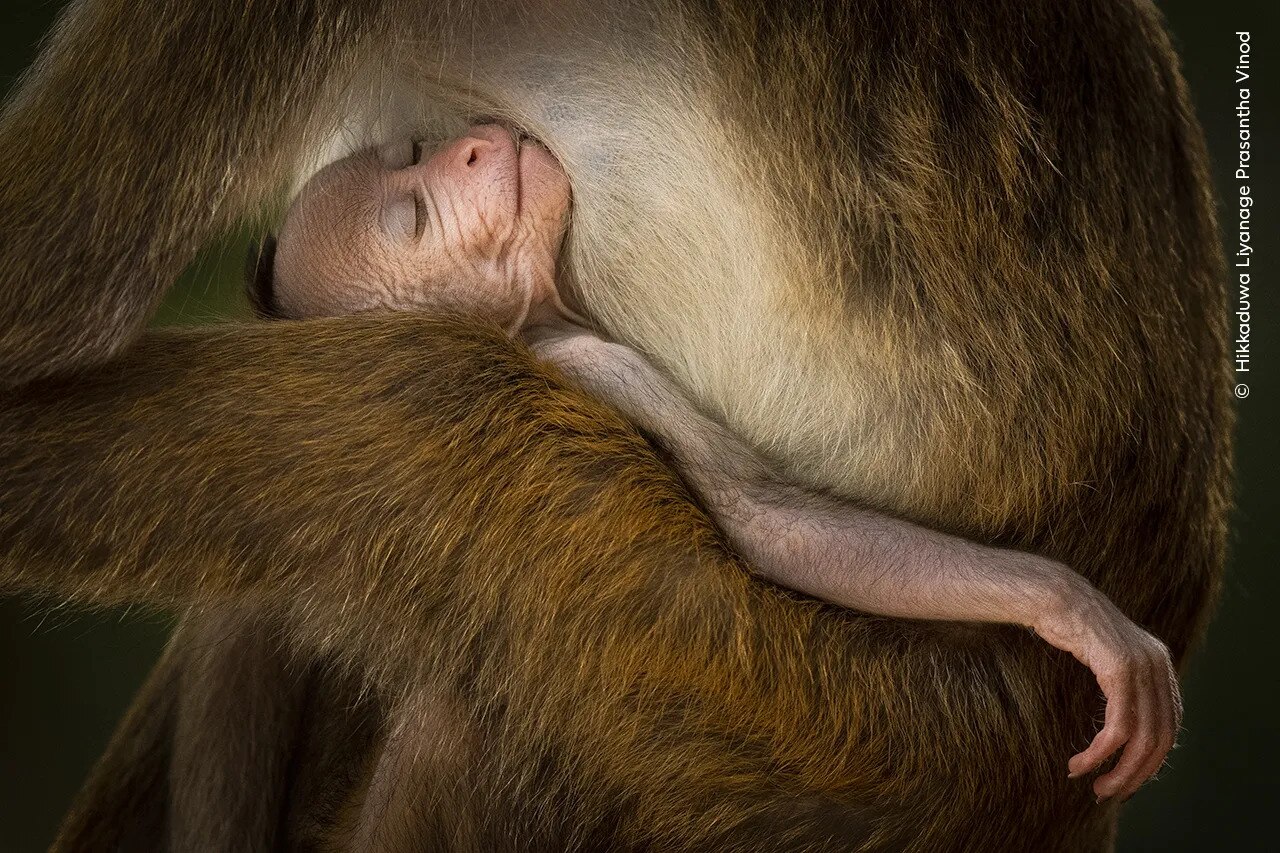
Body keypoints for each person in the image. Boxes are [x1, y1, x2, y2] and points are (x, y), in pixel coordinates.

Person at [255, 123, 1178, 788]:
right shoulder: (571, 369)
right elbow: (768, 525)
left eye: (410, 151)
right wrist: (1050, 597)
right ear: (439, 351)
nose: (457, 154)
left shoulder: (560, 326)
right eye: (417, 216)